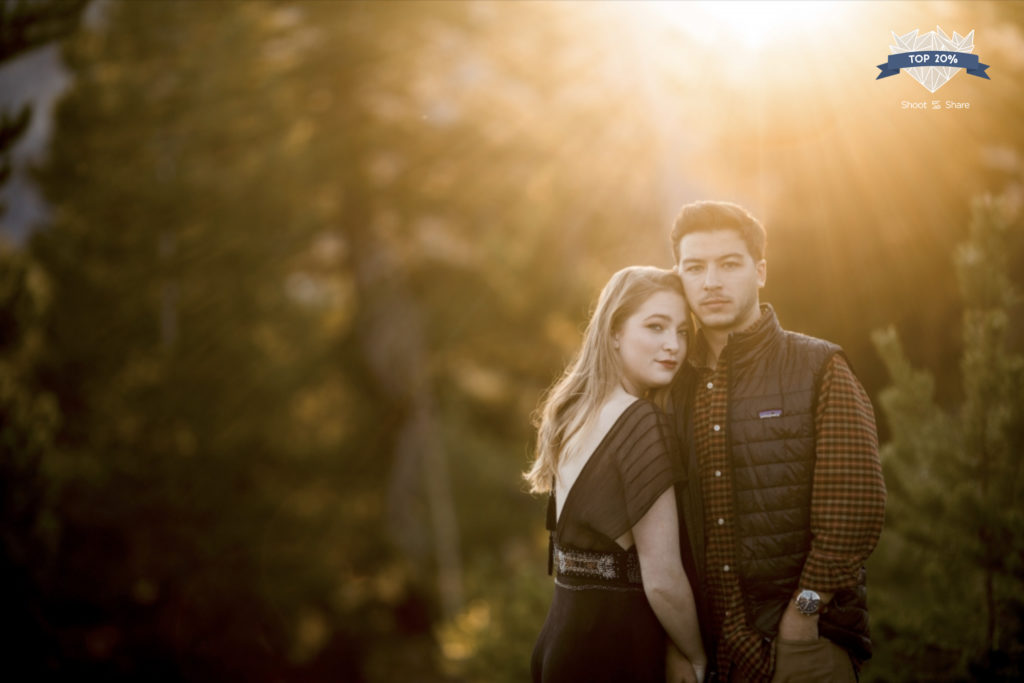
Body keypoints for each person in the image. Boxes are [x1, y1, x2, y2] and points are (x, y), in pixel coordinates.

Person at [667, 201, 887, 683]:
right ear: (678, 276)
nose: (711, 282)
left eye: (729, 264)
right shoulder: (670, 384)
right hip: (705, 651)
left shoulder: (819, 368)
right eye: (695, 267)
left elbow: (854, 512)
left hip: (803, 645)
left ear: (760, 270)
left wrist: (803, 616)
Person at [526, 266, 707, 683]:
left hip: (561, 640)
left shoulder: (573, 413)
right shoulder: (640, 422)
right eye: (655, 326)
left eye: (682, 331)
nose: (673, 346)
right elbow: (661, 577)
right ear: (614, 333)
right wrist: (697, 656)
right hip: (612, 649)